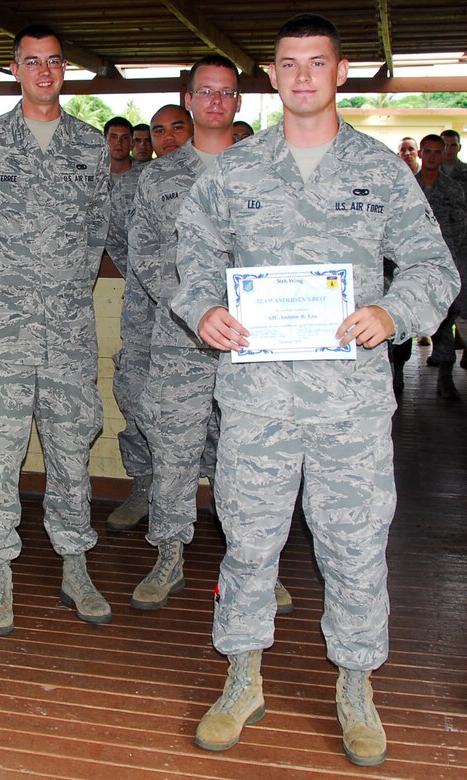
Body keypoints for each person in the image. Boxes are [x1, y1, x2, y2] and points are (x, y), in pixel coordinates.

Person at [171, 14, 457, 766]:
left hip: (349, 405)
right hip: (258, 401)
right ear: (272, 76)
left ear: (342, 72)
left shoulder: (379, 169)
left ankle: (356, 685)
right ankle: (243, 678)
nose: (302, 76)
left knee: (357, 547)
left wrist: (391, 311)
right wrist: (204, 309)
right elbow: (190, 255)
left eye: (316, 63)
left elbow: (434, 267)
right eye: (288, 64)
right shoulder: (234, 171)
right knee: (249, 543)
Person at [0, 24, 111, 636]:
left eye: (54, 62)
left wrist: (65, 292)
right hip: (1, 335)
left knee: (71, 451)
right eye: (31, 62)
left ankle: (75, 564)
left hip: (68, 334)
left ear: (64, 70)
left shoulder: (90, 147)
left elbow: (96, 232)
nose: (44, 72)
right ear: (15, 69)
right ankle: (0, 570)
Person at [128, 55, 294, 616]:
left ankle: (255, 566)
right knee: (174, 452)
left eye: (227, 93)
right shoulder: (158, 176)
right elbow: (145, 256)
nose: (216, 102)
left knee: (245, 457)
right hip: (181, 342)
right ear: (191, 99)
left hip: (251, 346)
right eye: (206, 93)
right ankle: (169, 554)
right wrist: (196, 308)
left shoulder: (266, 171)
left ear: (239, 103)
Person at [104, 104, 192, 533]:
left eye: (177, 127)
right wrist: (145, 279)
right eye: (158, 130)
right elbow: (119, 240)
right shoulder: (134, 184)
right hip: (145, 318)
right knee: (135, 399)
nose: (167, 137)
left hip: (211, 322)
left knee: (208, 417)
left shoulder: (221, 176)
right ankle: (142, 486)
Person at [407, 134, 467, 397]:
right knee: (406, 316)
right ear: (420, 154)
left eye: (437, 152)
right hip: (410, 263)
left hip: (444, 263)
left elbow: (460, 230)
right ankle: (397, 371)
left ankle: (445, 376)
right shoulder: (407, 186)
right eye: (427, 152)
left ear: (444, 155)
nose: (432, 156)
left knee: (445, 319)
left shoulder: (453, 189)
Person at [104, 116, 134, 185]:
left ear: (132, 142)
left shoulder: (144, 173)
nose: (119, 142)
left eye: (125, 137)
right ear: (104, 141)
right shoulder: (93, 171)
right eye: (113, 137)